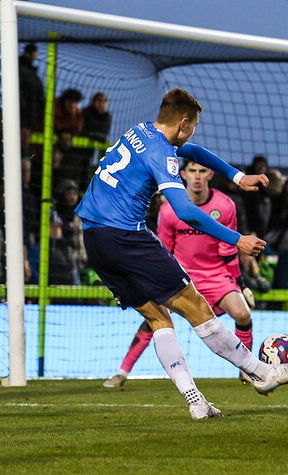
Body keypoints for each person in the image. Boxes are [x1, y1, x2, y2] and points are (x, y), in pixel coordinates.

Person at [76, 88, 288, 419]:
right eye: (194, 126)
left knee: (159, 318)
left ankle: (196, 401)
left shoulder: (140, 131)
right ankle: (262, 373)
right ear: (183, 123)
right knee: (197, 307)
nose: (192, 134)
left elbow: (194, 150)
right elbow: (185, 211)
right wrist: (237, 240)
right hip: (126, 236)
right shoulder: (162, 154)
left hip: (94, 238)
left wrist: (237, 176)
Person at [103, 160, 258, 388]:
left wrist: (241, 285)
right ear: (183, 174)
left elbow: (227, 250)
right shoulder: (169, 209)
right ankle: (122, 372)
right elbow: (163, 249)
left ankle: (248, 370)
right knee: (154, 317)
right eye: (193, 171)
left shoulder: (225, 206)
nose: (197, 176)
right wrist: (154, 280)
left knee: (243, 314)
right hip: (180, 275)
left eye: (202, 171)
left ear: (210, 175)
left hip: (216, 275)